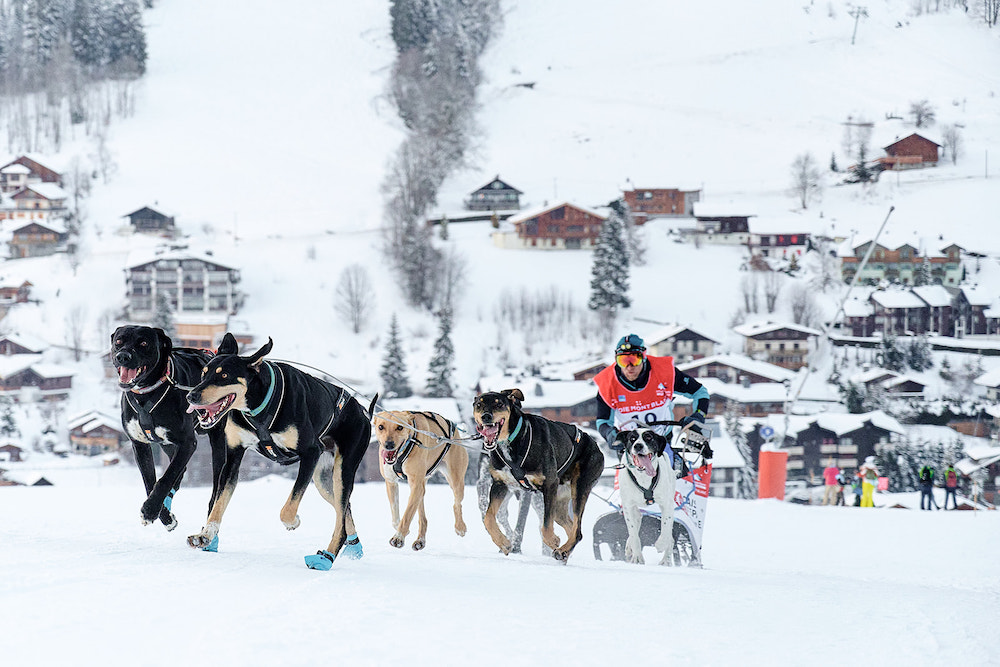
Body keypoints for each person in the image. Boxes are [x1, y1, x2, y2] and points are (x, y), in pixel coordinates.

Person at [594, 334, 711, 461]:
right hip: (629, 447)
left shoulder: (665, 373)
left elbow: (700, 392)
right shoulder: (607, 384)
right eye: (623, 361)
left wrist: (698, 417)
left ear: (643, 358)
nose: (629, 366)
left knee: (669, 475)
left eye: (634, 360)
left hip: (661, 442)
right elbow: (602, 421)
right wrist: (609, 434)